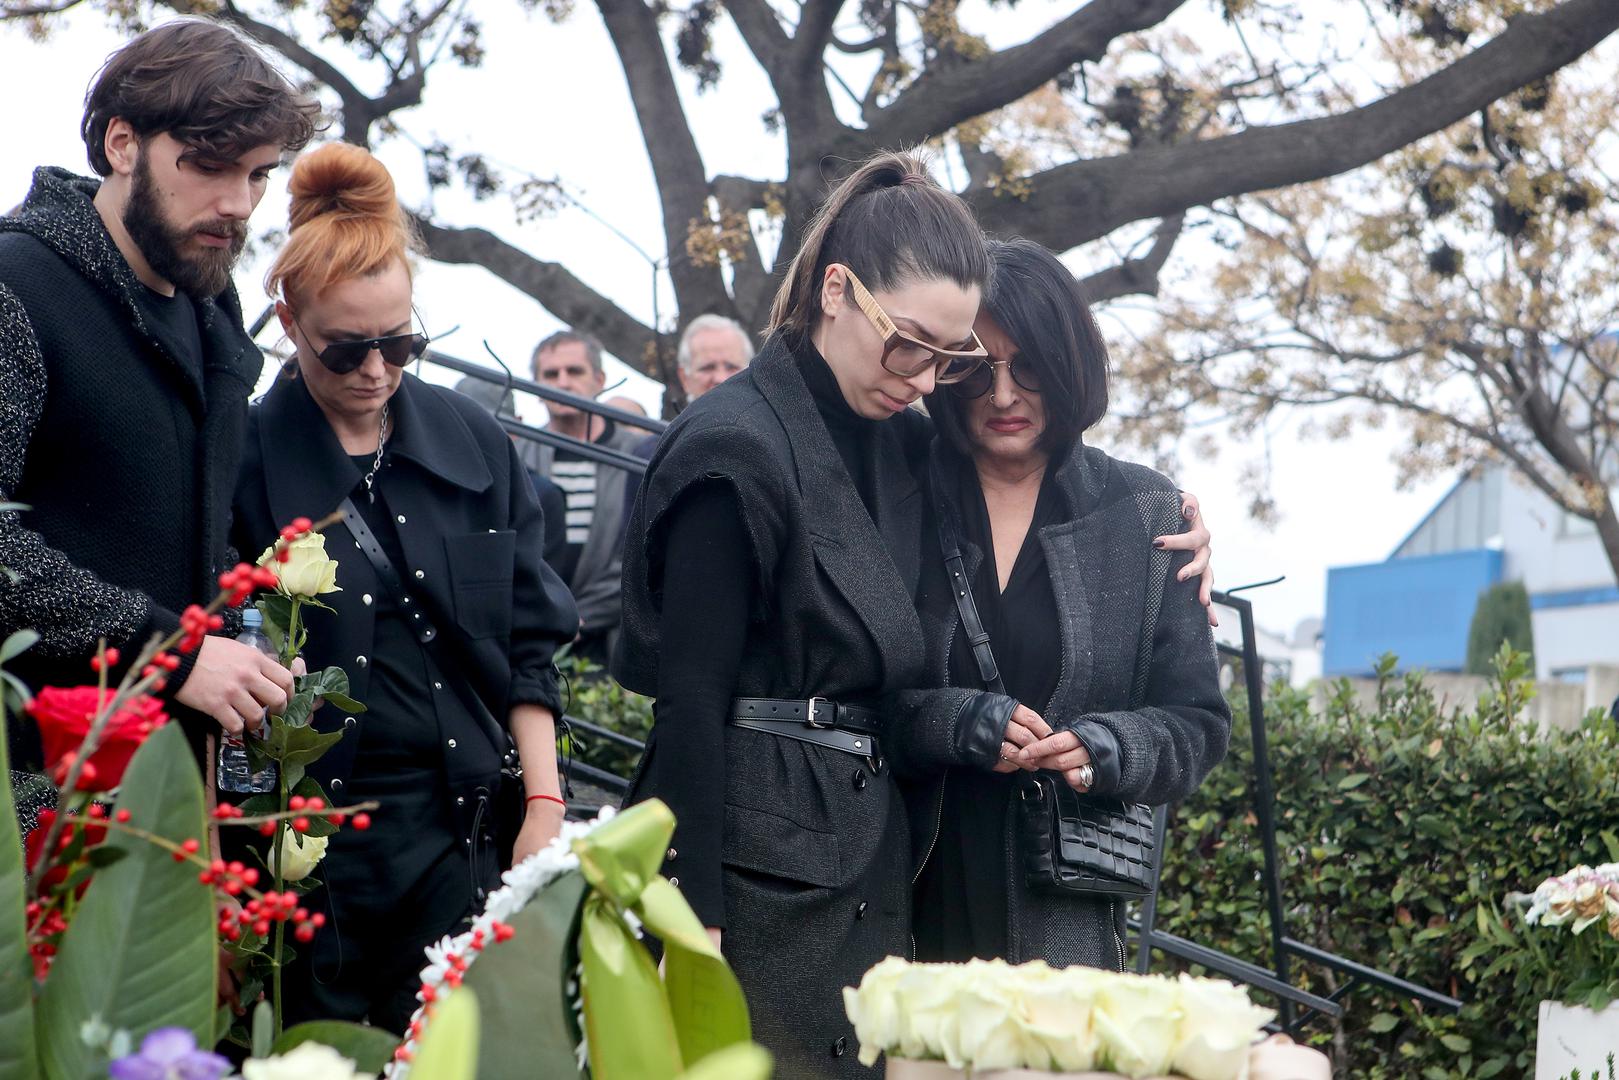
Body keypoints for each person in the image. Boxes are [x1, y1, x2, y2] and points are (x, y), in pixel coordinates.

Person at [617, 151, 1009, 1077]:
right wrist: (689, 911)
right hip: (750, 865)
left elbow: (1036, 468)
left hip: (872, 849)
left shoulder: (901, 439)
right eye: (908, 342)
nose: (924, 377)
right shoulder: (732, 446)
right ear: (837, 291)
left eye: (949, 357)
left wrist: (1166, 516)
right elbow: (688, 700)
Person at [231, 143, 578, 1032]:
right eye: (347, 350)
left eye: (399, 343)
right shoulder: (244, 459)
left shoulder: (473, 441)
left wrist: (545, 803)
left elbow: (530, 641)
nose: (377, 372)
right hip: (313, 855)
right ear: (288, 322)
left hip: (468, 835)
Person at [889, 236, 1233, 969]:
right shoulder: (896, 485)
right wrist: (954, 723)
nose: (1004, 396)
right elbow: (847, 688)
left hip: (1063, 911)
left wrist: (1105, 747)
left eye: (1030, 367)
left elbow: (1197, 725)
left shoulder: (1143, 511)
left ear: (1069, 363)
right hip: (902, 887)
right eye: (978, 368)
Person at [0, 19, 317, 777]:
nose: (239, 203)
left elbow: (180, 538)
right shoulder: (17, 285)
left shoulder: (212, 313)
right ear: (122, 143)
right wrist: (173, 653)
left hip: (168, 792)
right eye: (210, 166)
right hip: (31, 794)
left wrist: (247, 647)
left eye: (259, 174)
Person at [524, 329, 641, 667]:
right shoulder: (517, 455)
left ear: (599, 380)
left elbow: (639, 557)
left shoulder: (635, 456)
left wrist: (581, 617)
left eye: (574, 371)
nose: (563, 383)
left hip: (609, 647)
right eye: (551, 374)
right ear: (536, 385)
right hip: (533, 639)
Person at [620, 314, 755, 529]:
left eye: (731, 367)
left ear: (751, 372)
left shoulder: (776, 444)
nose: (720, 378)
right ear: (684, 377)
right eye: (707, 368)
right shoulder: (651, 454)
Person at [453, 375, 568, 569]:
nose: (479, 435)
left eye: (492, 426)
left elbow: (542, 578)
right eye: (466, 425)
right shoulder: (426, 481)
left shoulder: (543, 494)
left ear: (516, 427)